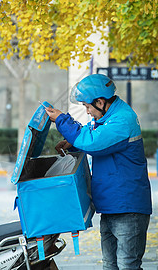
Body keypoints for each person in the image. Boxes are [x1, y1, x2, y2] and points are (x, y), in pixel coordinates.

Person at [45, 73, 152, 270]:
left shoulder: (122, 120)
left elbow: (93, 143)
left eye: (87, 106)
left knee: (127, 265)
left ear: (100, 102)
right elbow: (96, 140)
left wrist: (61, 119)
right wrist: (74, 144)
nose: (87, 112)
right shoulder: (108, 117)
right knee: (110, 265)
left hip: (128, 208)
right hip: (112, 206)